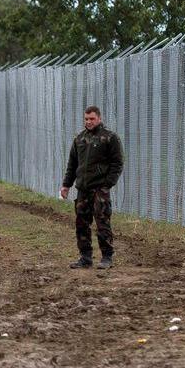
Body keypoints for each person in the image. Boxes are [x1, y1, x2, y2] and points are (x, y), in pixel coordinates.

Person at [59, 105, 124, 270]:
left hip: (99, 190)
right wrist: (66, 185)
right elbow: (72, 164)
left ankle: (107, 257)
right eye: (86, 119)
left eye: (92, 119)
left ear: (99, 118)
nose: (88, 122)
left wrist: (107, 183)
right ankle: (85, 258)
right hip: (83, 189)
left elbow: (117, 163)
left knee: (102, 223)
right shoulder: (79, 139)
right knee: (81, 224)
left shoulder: (109, 138)